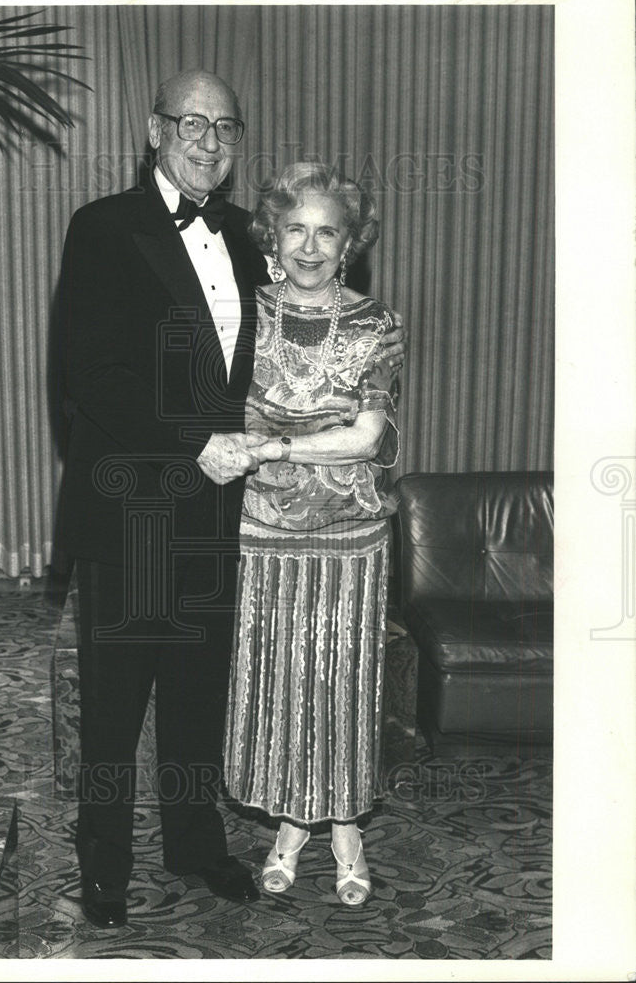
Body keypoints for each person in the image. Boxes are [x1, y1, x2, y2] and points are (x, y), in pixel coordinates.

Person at [57, 71, 406, 928]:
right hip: (134, 504)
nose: (207, 141)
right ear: (154, 129)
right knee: (112, 702)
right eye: (190, 123)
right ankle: (102, 862)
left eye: (225, 127)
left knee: (194, 693)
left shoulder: (254, 245)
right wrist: (195, 442)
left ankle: (193, 844)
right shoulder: (103, 228)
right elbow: (89, 375)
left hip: (224, 515)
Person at [223, 162, 401, 907]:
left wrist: (274, 447)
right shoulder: (238, 311)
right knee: (282, 676)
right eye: (295, 228)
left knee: (342, 678)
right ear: (273, 234)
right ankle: (293, 824)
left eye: (326, 231)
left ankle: (347, 828)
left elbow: (365, 436)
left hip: (350, 533)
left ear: (349, 242)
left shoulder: (376, 323)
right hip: (262, 528)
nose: (308, 246)